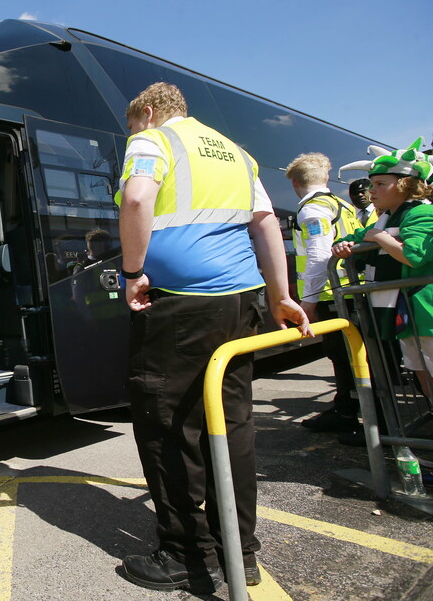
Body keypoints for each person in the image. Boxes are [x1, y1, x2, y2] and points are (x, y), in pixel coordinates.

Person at [115, 82, 310, 593]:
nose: (132, 133)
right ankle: (239, 553)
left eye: (132, 123)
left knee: (167, 421)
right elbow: (266, 224)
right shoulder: (235, 154)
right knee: (231, 422)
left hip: (181, 305)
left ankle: (184, 552)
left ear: (149, 112)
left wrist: (133, 271)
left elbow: (136, 197)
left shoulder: (153, 139)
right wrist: (280, 295)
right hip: (240, 301)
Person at [334, 138, 433, 398]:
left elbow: (414, 256)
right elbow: (352, 238)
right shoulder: (388, 216)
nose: (371, 191)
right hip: (407, 310)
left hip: (426, 309)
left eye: (380, 184)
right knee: (418, 368)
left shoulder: (421, 213)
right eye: (371, 184)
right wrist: (342, 246)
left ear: (404, 185)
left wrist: (379, 238)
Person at [285, 153, 362, 433]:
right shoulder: (342, 205)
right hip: (354, 290)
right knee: (356, 356)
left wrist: (309, 303)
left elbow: (318, 255)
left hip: (334, 295)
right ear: (326, 178)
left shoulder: (312, 210)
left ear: (295, 182)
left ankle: (347, 415)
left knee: (342, 357)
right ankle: (349, 408)